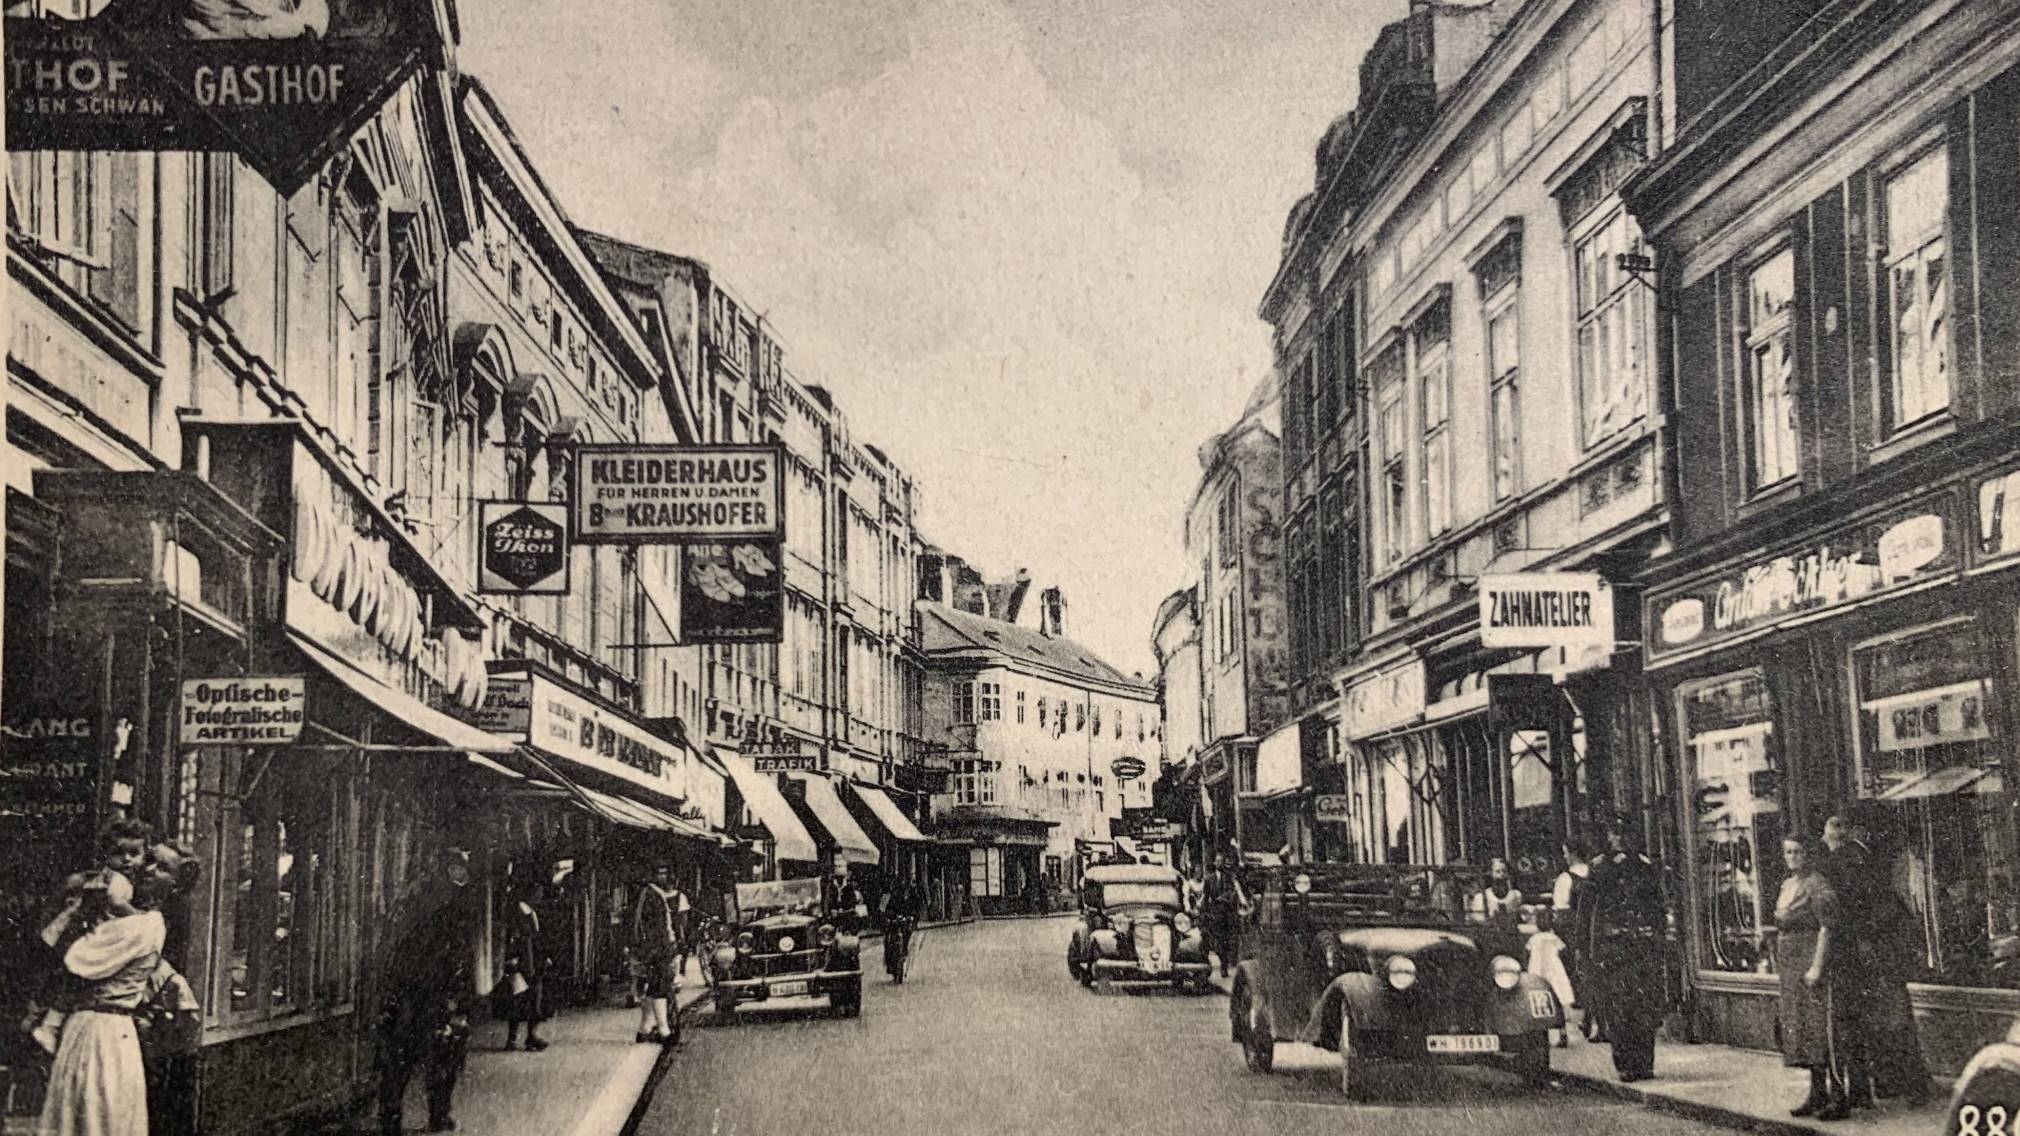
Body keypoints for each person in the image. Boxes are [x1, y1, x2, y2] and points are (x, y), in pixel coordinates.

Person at [37, 842, 197, 1136]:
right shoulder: (128, 916)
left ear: (175, 886)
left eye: (163, 868)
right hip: (88, 1027)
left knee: (98, 1116)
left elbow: (80, 957)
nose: (149, 869)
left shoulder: (147, 925)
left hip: (105, 1032)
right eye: (150, 860)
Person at [375, 846, 478, 1136]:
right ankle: (438, 1116)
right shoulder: (450, 904)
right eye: (460, 869)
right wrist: (459, 1000)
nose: (463, 875)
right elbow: (456, 954)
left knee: (399, 1059)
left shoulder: (409, 898)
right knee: (444, 1057)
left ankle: (391, 1121)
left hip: (404, 989)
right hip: (434, 992)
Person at [1833, 810, 1931, 1106]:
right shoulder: (1859, 859)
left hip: (1872, 951)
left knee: (1884, 1019)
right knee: (1892, 1017)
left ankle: (1895, 1082)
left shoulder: (1853, 858)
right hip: (1878, 951)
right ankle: (1905, 1083)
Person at [1583, 823, 1667, 1082]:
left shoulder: (1644, 865)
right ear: (1609, 837)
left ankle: (1645, 1062)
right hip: (1615, 947)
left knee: (1645, 1006)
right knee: (1620, 1006)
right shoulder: (1600, 868)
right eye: (1615, 834)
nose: (1620, 839)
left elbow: (1657, 906)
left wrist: (1658, 938)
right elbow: (1588, 912)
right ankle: (1626, 1064)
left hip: (1642, 946)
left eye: (1625, 834)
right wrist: (1588, 948)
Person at [1775, 836, 1845, 1121]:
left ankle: (1839, 1095)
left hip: (1809, 962)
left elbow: (1827, 928)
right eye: (1788, 852)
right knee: (1803, 1030)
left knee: (1822, 1030)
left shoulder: (1817, 884)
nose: (1792, 857)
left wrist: (1817, 966)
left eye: (1798, 852)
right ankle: (1817, 1093)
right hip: (1790, 966)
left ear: (1809, 854)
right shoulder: (1787, 884)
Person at [627, 864, 689, 1046]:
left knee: (651, 987)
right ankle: (664, 1030)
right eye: (659, 873)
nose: (664, 877)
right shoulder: (654, 896)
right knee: (660, 987)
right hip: (657, 949)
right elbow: (659, 927)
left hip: (647, 949)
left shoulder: (642, 895)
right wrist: (667, 948)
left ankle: (644, 1028)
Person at [496, 879, 550, 1052]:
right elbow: (514, 936)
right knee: (517, 999)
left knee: (535, 998)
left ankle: (531, 1036)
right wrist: (512, 957)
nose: (540, 896)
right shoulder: (517, 912)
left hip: (534, 960)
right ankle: (512, 1039)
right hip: (522, 960)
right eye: (538, 892)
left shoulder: (532, 912)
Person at [1201, 855, 1248, 978]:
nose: (1219, 863)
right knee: (1218, 941)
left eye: (1221, 861)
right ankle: (1223, 961)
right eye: (1217, 861)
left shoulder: (1229, 877)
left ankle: (1224, 966)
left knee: (1227, 940)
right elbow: (1205, 897)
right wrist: (1204, 912)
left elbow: (1232, 891)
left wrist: (1224, 898)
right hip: (1215, 914)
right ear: (1214, 863)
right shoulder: (1208, 879)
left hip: (1228, 913)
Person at [879, 876, 924, 983]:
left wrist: (910, 916)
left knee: (907, 934)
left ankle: (904, 952)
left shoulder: (908, 897)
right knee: (887, 940)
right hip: (892, 923)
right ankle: (889, 960)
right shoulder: (888, 897)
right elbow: (882, 910)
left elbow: (911, 908)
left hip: (902, 922)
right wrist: (887, 917)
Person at [1468, 857, 1524, 927]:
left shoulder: (1516, 895)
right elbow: (1478, 920)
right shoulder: (1481, 897)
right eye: (1497, 871)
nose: (1501, 874)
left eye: (1504, 871)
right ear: (1491, 873)